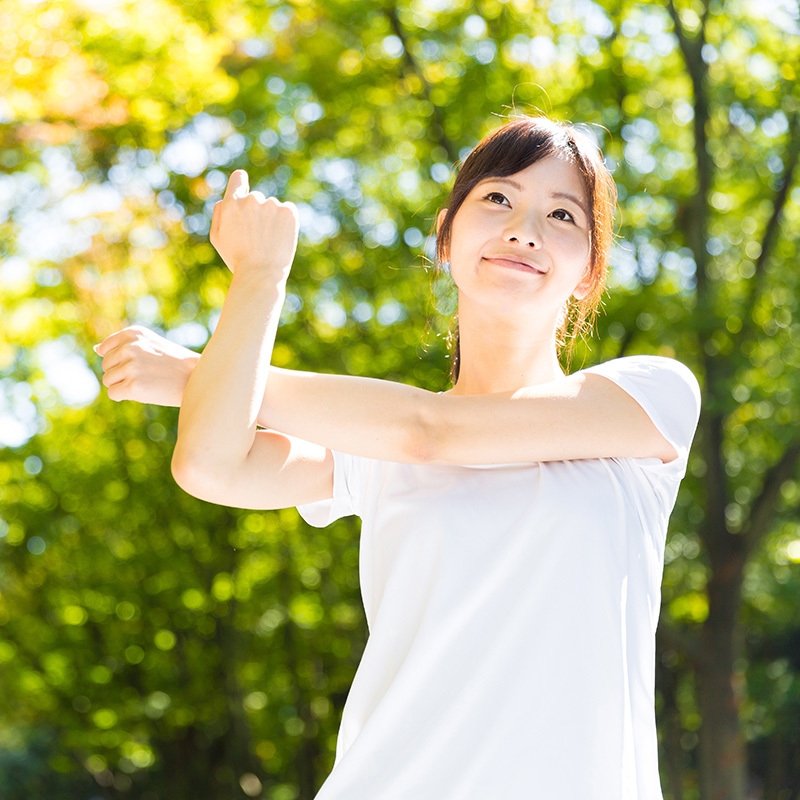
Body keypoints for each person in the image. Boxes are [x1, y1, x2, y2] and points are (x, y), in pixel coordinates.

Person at [97, 116, 701, 799]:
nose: (524, 228)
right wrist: (260, 277)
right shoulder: (370, 445)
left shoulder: (647, 402)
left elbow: (431, 431)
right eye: (498, 198)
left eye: (562, 214)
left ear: (591, 272)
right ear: (446, 236)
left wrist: (194, 375)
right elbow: (209, 465)